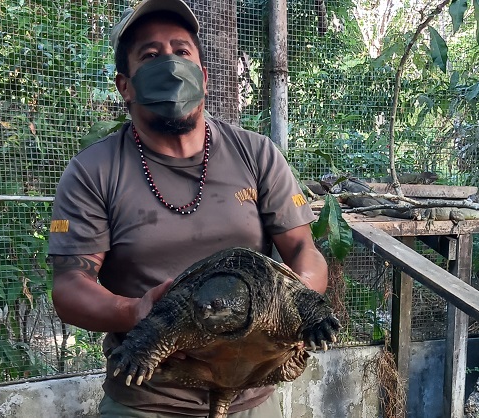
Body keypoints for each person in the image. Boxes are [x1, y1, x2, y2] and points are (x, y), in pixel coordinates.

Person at [48, 0, 328, 416]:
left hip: (252, 390)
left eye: (182, 52)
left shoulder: (256, 153)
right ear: (125, 85)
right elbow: (70, 286)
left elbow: (304, 249)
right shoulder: (92, 172)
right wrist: (136, 311)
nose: (170, 64)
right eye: (151, 55)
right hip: (151, 394)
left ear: (204, 75)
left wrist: (297, 305)